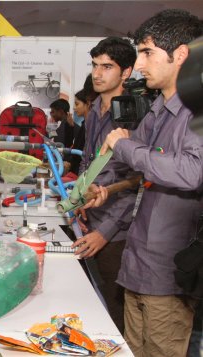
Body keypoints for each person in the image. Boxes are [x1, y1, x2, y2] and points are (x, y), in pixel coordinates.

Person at [87, 9, 203, 355]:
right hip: (137, 263)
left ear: (180, 54)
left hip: (168, 272)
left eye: (148, 53)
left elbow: (190, 171)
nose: (138, 65)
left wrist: (124, 144)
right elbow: (143, 171)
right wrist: (110, 188)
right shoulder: (158, 110)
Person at [71, 37, 137, 334]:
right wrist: (77, 202)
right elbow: (88, 163)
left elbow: (139, 183)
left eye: (107, 67)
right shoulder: (95, 108)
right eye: (95, 65)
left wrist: (105, 232)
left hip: (119, 231)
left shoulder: (136, 115)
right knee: (97, 306)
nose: (98, 73)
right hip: (91, 219)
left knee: (117, 314)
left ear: (126, 72)